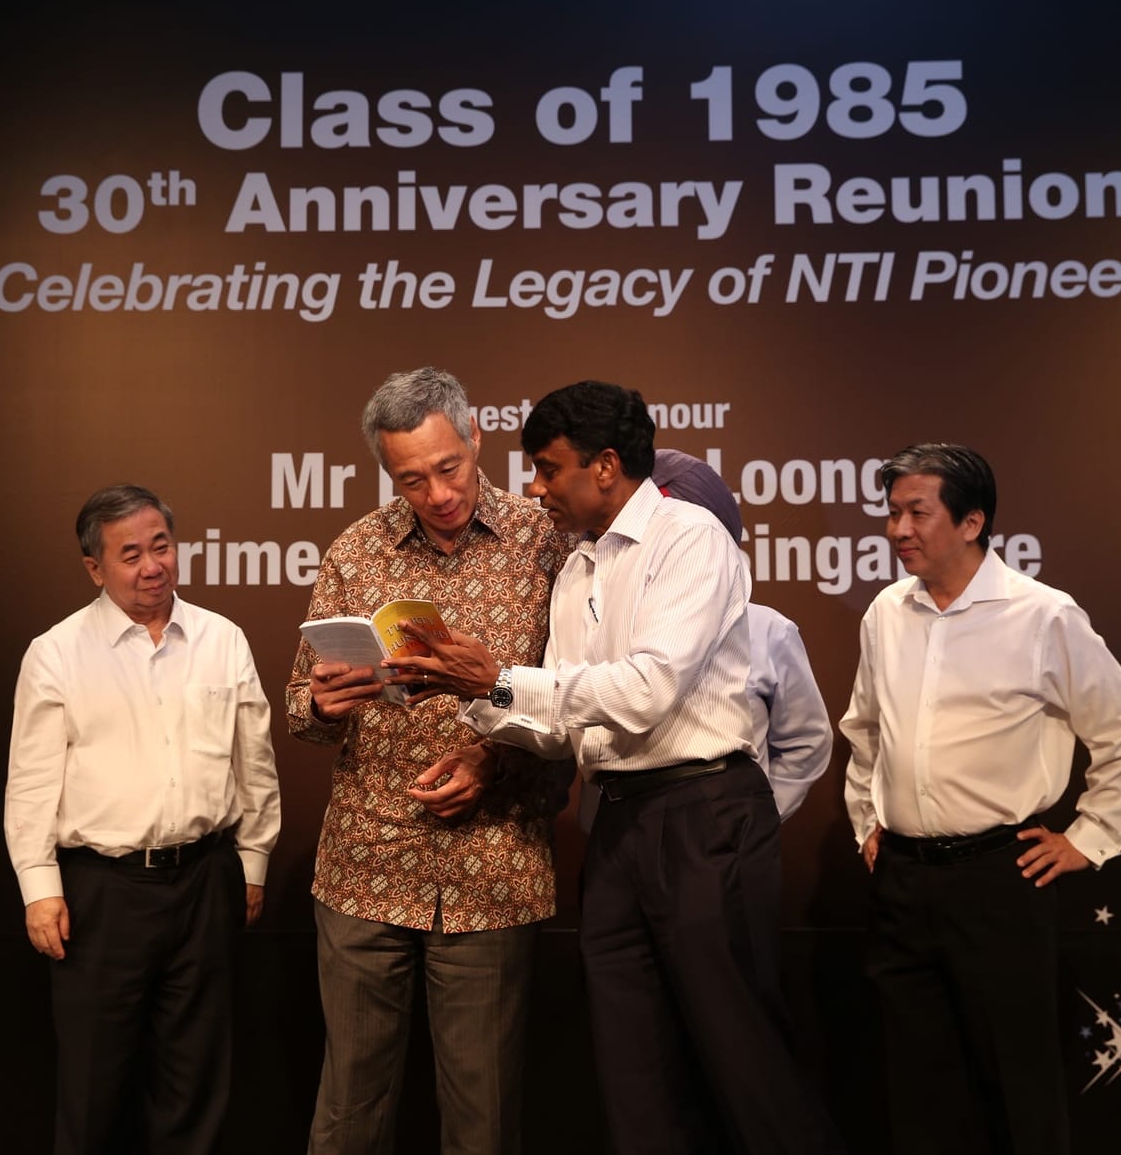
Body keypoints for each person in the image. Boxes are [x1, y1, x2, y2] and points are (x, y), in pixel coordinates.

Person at [395, 383, 843, 1155]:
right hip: (616, 824)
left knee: (745, 1060)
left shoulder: (688, 537)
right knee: (632, 1071)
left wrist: (497, 676)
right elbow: (565, 723)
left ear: (605, 466)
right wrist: (469, 700)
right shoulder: (576, 569)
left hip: (703, 813)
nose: (533, 490)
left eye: (545, 468)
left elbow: (644, 692)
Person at [287, 366, 575, 1155]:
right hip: (365, 859)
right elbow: (297, 710)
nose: (438, 493)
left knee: (482, 1114)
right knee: (350, 1107)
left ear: (475, 436)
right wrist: (322, 702)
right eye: (411, 479)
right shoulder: (357, 548)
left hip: (494, 862)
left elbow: (576, 705)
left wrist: (492, 762)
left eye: (448, 468)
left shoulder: (544, 541)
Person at [840, 442, 1121, 1155]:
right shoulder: (886, 611)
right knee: (918, 1085)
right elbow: (865, 730)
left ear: (971, 520)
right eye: (891, 513)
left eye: (916, 512)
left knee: (1016, 1081)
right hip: (901, 878)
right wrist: (866, 818)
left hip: (999, 876)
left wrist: (1089, 834)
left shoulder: (1041, 614)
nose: (897, 530)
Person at [4, 484, 280, 1155]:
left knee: (195, 1085)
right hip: (101, 890)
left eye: (161, 545)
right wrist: (40, 887)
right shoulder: (57, 651)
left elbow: (256, 763)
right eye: (130, 554)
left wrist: (252, 862)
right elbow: (31, 781)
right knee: (94, 1086)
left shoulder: (222, 638)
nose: (152, 564)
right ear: (94, 567)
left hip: (205, 878)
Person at [651, 448, 832, 823]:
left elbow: (806, 741)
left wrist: (759, 817)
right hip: (620, 844)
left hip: (728, 845)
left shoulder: (767, 629)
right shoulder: (602, 620)